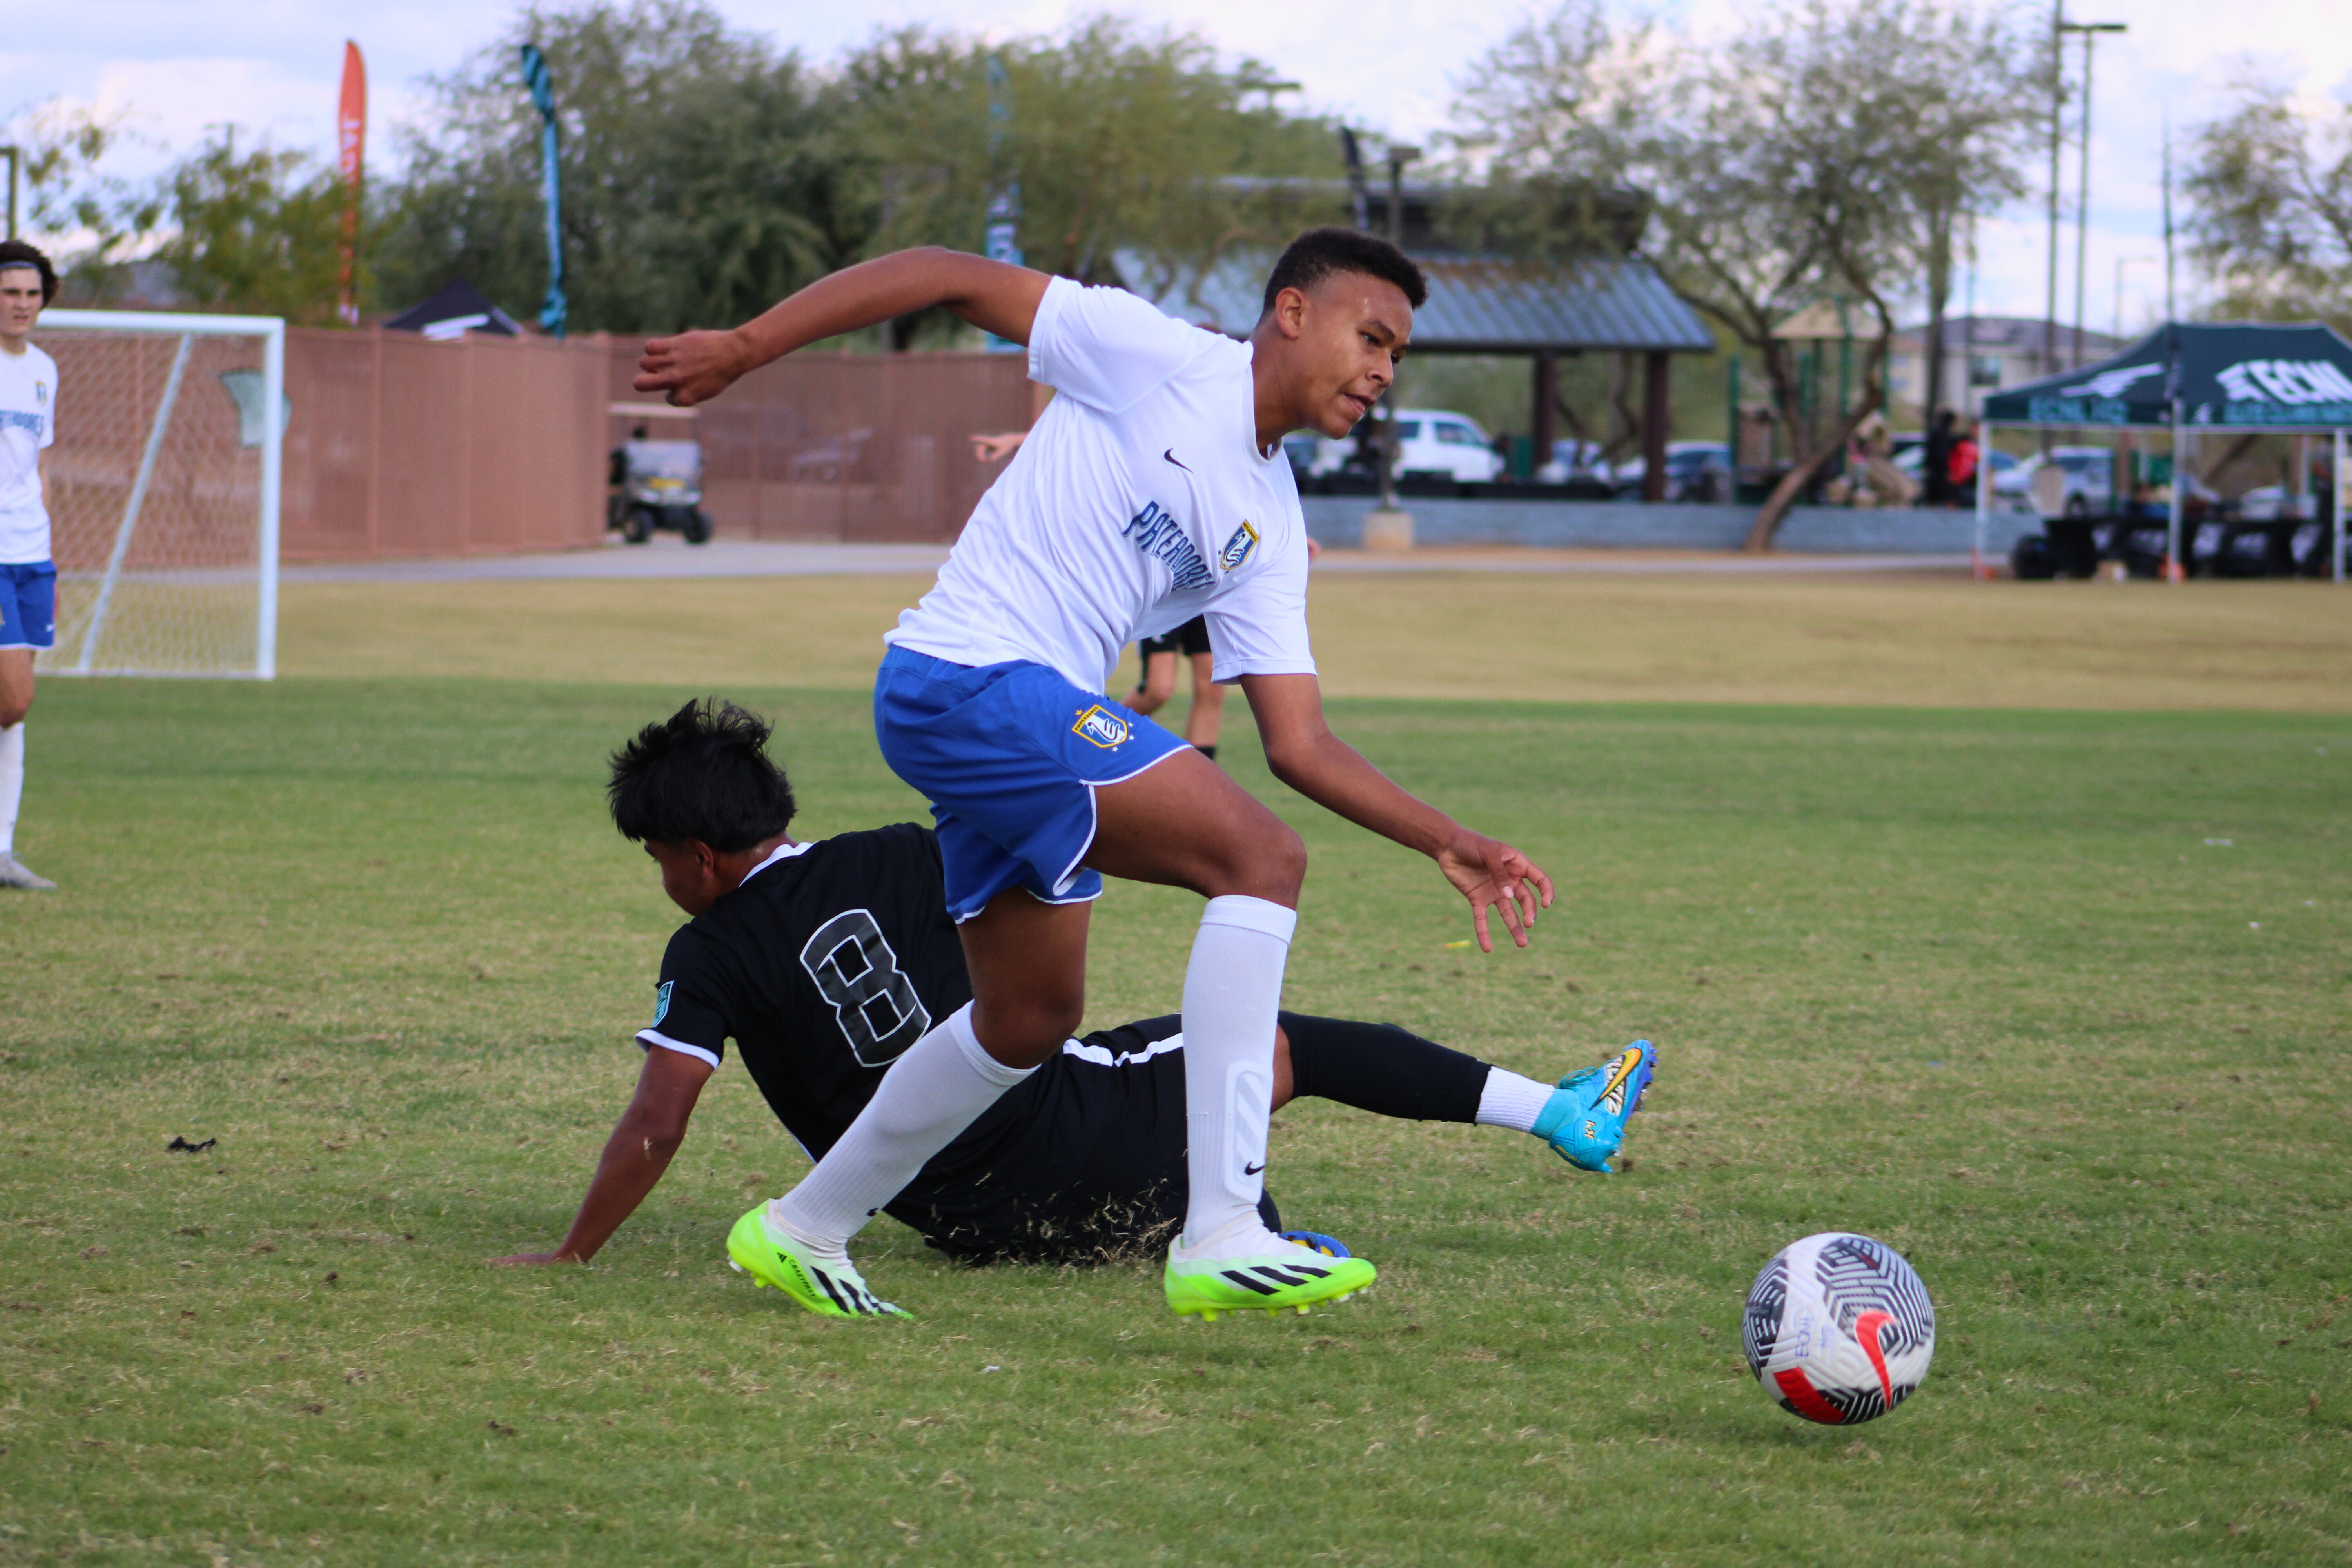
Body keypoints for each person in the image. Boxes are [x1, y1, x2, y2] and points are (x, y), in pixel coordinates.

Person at [635, 229, 1558, 1323]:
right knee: (1261, 859)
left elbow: (1299, 742)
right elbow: (948, 273)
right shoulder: (1155, 354)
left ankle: (804, 1227)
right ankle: (1221, 1230)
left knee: (1026, 1020)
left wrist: (1443, 838)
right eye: (1372, 337)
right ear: (1293, 313)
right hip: (966, 677)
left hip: (1013, 728)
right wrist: (748, 345)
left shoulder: (1270, 524)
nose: (1384, 373)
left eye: (1400, 356)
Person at [489, 701, 1652, 1286]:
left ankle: (1214, 1226)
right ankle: (1552, 1113)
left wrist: (573, 1253)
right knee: (1275, 1043)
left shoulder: (707, 956)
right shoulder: (902, 849)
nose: (662, 882)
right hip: (1055, 1134)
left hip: (953, 1222)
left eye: (655, 859)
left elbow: (659, 1119)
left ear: (693, 850)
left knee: (1178, 1084)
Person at [0, 241, 58, 892]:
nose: (22, 304)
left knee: (11, 711)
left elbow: (38, 469)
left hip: (30, 556)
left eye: (32, 293)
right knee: (14, 698)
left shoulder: (44, 369)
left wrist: (51, 559)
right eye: (11, 292)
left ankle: (3, 851)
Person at [1127, 615, 1225, 760]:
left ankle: (1196, 775)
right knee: (1157, 691)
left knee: (1213, 684)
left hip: (1204, 596)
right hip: (1167, 598)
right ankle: (1094, 736)